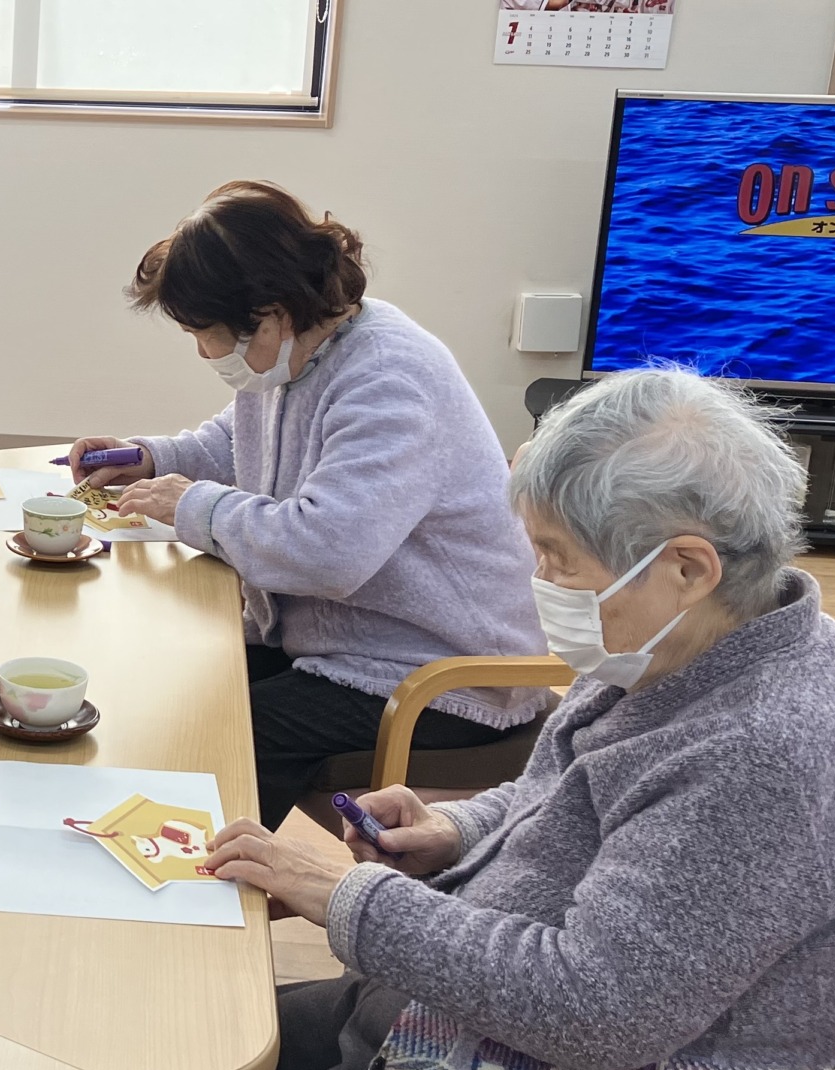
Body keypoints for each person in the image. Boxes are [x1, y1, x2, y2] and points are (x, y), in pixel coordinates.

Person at [203, 368, 835, 1070]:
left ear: (687, 566)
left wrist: (345, 897)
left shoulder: (769, 751)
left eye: (556, 558)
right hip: (491, 1027)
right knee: (210, 1048)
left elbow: (595, 1007)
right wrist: (454, 830)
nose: (539, 583)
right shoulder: (693, 642)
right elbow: (567, 794)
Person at [69, 181, 548, 831]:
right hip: (344, 642)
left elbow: (328, 550)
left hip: (442, 675)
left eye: (205, 334)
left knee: (224, 737)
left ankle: (200, 883)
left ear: (269, 316)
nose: (204, 352)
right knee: (175, 683)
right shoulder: (299, 354)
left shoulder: (388, 376)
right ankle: (161, 855)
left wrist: (192, 505)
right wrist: (151, 457)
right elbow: (237, 445)